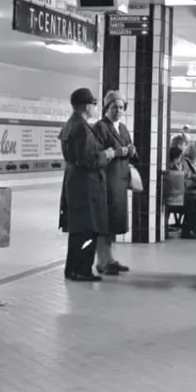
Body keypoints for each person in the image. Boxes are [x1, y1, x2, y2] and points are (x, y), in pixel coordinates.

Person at [58, 88, 114, 281]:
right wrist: (106, 155)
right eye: (93, 104)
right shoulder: (81, 128)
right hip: (86, 187)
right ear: (86, 106)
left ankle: (72, 269)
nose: (95, 108)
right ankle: (82, 270)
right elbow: (87, 160)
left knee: (78, 230)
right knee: (88, 230)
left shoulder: (70, 125)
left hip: (75, 184)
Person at [91, 91, 137, 275]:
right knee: (104, 222)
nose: (117, 110)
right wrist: (116, 152)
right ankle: (102, 261)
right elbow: (97, 154)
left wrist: (132, 151)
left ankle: (109, 258)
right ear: (106, 108)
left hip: (120, 181)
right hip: (106, 181)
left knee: (114, 223)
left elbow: (131, 149)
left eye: (120, 107)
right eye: (113, 107)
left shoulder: (123, 128)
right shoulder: (100, 127)